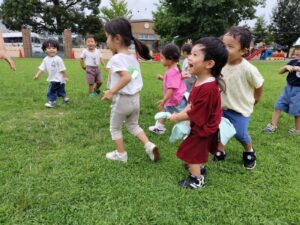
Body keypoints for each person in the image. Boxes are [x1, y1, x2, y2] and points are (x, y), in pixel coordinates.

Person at [168, 37, 228, 189]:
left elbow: (194, 112)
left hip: (204, 127)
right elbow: (191, 104)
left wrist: (177, 116)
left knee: (192, 152)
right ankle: (198, 168)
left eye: (195, 55)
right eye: (190, 54)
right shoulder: (199, 80)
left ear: (209, 64)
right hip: (200, 124)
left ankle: (197, 179)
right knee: (194, 149)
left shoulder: (208, 88)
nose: (189, 57)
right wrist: (182, 112)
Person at [101, 18, 159, 162]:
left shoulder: (116, 59)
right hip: (135, 99)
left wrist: (111, 91)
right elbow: (133, 75)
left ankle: (121, 155)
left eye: (107, 37)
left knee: (114, 128)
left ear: (117, 38)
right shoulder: (132, 57)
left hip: (122, 99)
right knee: (133, 125)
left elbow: (126, 77)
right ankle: (149, 145)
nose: (106, 40)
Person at [215, 26, 264, 169]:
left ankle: (249, 150)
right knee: (220, 129)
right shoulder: (220, 64)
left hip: (240, 109)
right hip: (222, 105)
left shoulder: (248, 69)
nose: (224, 49)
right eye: (222, 45)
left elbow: (259, 84)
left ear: (243, 51)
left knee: (240, 134)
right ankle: (220, 149)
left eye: (229, 46)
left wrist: (256, 98)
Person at [148, 43, 187, 134]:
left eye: (162, 58)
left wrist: (164, 100)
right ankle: (160, 127)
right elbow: (174, 82)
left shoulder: (171, 72)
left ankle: (188, 129)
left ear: (170, 59)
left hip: (174, 99)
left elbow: (171, 89)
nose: (161, 60)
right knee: (165, 111)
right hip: (178, 98)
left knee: (183, 116)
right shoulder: (174, 68)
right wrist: (163, 78)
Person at [263, 45, 300, 135]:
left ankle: (298, 130)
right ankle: (273, 125)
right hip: (288, 88)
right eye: (297, 51)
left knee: (297, 110)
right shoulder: (293, 62)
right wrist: (285, 67)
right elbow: (280, 71)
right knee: (278, 105)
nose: (297, 53)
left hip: (298, 90)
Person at [34, 39, 69, 108]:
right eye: (49, 48)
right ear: (45, 50)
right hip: (56, 79)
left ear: (57, 49)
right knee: (60, 90)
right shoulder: (45, 59)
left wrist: (65, 76)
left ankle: (51, 102)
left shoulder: (58, 59)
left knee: (51, 90)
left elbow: (63, 69)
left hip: (57, 79)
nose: (52, 50)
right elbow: (41, 68)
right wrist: (37, 75)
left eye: (54, 48)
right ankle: (65, 98)